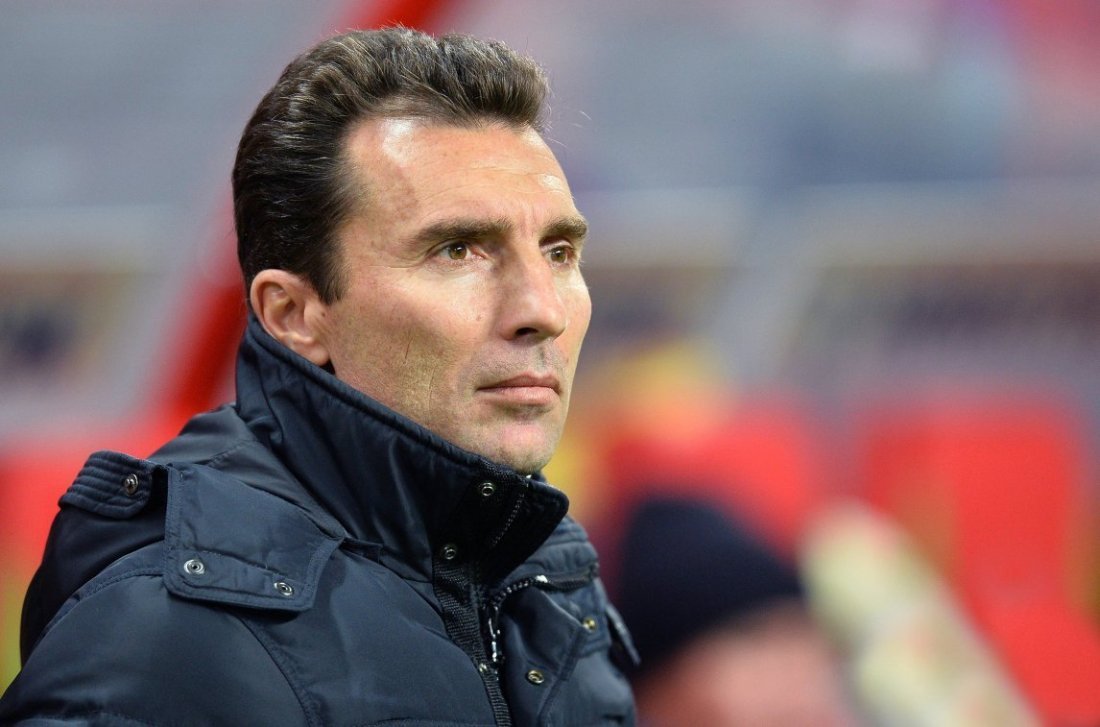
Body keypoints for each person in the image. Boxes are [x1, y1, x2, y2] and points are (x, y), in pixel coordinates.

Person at [0, 27, 637, 726]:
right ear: (294, 314)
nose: (543, 311)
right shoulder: (160, 638)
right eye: (458, 250)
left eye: (558, 251)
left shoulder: (544, 579)